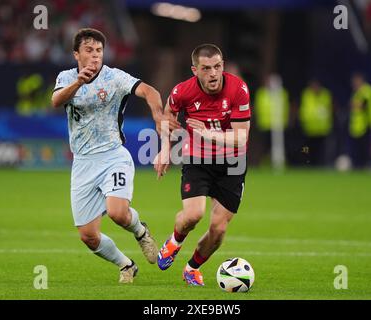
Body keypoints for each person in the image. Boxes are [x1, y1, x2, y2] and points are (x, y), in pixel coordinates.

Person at [51, 28, 179, 284]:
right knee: (88, 236)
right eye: (89, 50)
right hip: (83, 162)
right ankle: (126, 264)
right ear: (77, 54)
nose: (95, 56)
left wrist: (156, 113)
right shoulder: (66, 77)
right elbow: (56, 101)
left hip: (113, 157)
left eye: (99, 51)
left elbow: (149, 91)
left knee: (118, 212)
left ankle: (141, 232)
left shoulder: (114, 77)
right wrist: (79, 83)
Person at [153, 44, 251, 286]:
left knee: (218, 230)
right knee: (193, 215)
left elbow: (241, 137)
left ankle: (192, 268)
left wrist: (208, 134)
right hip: (198, 160)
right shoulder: (182, 92)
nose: (213, 74)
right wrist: (165, 149)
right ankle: (175, 241)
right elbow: (168, 118)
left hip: (232, 163)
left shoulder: (239, 88)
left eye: (217, 67)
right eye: (206, 69)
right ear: (195, 70)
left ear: (223, 66)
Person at [349, 73, 371, 168]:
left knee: (365, 146)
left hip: (367, 122)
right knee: (358, 147)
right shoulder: (357, 92)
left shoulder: (366, 90)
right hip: (358, 125)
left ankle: (365, 164)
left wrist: (354, 105)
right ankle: (359, 164)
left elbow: (363, 105)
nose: (354, 84)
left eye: (356, 81)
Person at [299, 79, 333, 166]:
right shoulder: (306, 94)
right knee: (306, 148)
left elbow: (329, 108)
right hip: (309, 128)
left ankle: (320, 164)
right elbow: (304, 109)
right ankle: (307, 162)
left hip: (322, 128)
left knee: (320, 149)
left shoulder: (325, 94)